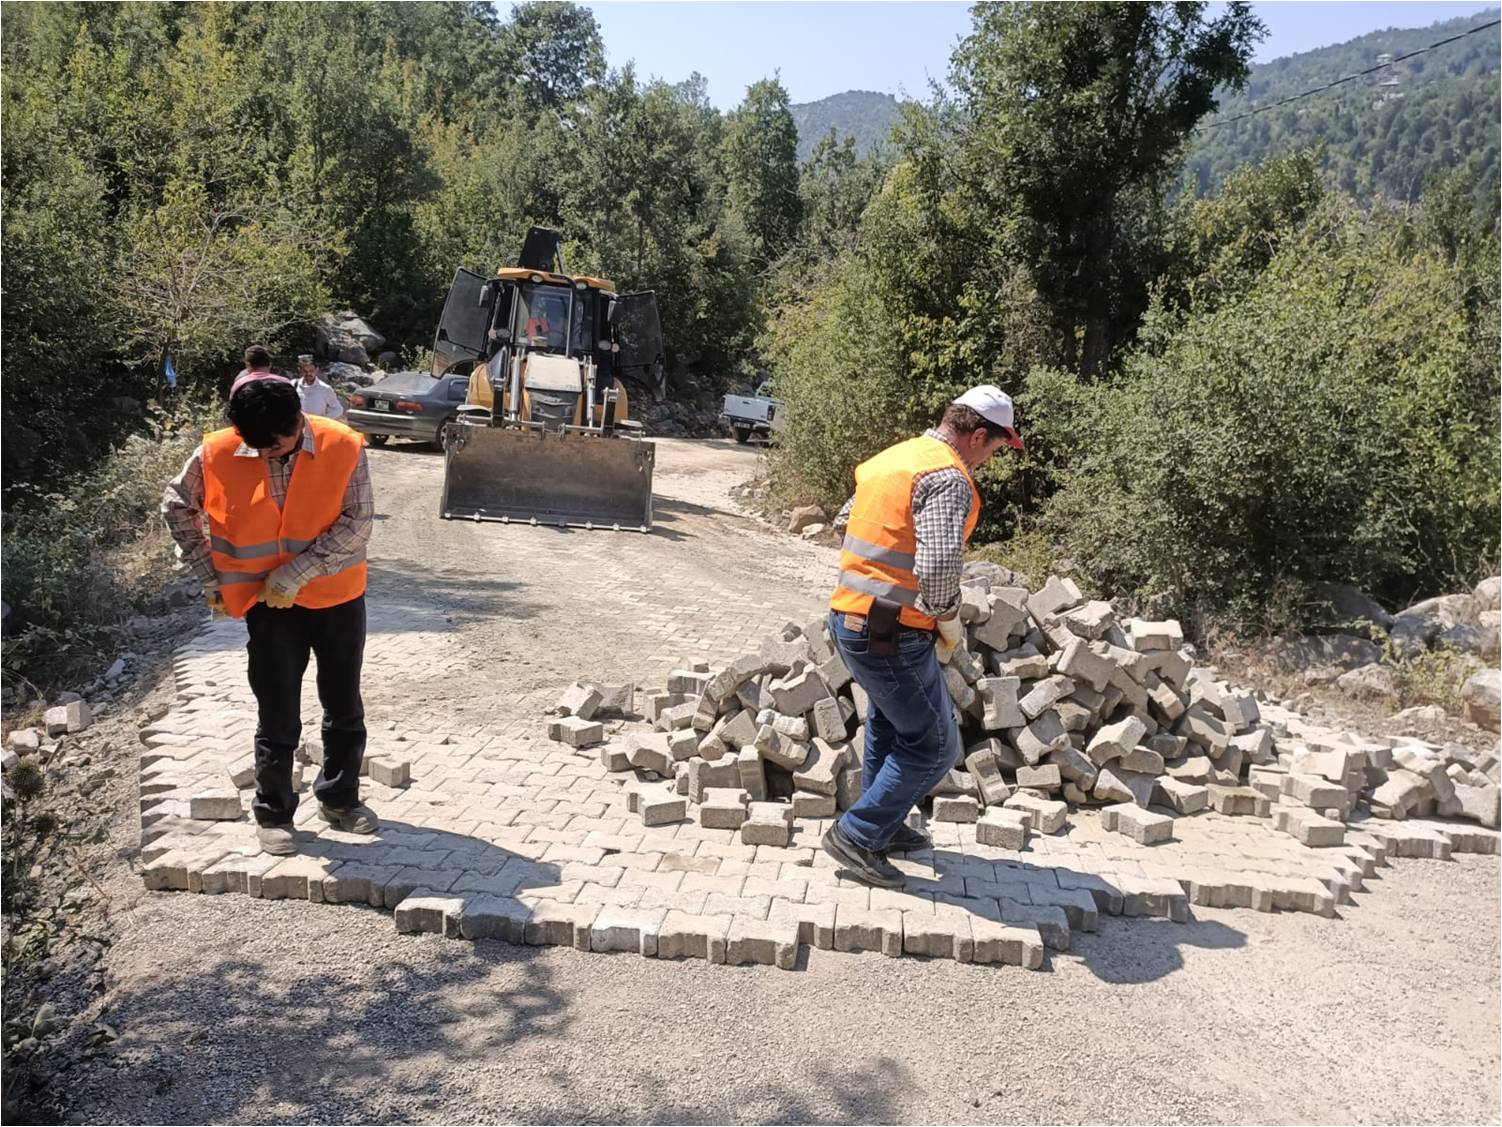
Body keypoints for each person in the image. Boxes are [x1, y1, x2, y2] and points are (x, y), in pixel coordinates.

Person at [162, 348, 376, 856]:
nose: (265, 455)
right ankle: (274, 812)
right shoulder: (218, 451)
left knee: (343, 704)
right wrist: (207, 572)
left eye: (274, 446)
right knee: (276, 708)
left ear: (298, 419)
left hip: (336, 597)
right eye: (254, 447)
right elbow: (176, 505)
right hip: (267, 605)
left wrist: (296, 572)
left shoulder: (343, 445)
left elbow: (357, 523)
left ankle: (341, 799)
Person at [821, 386, 1024, 887]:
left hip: (852, 615)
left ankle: (881, 827)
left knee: (892, 725)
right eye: (994, 450)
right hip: (890, 627)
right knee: (935, 744)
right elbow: (936, 571)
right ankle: (858, 835)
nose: (989, 461)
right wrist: (947, 618)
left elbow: (843, 521)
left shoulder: (897, 457)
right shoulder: (949, 478)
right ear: (978, 436)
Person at [295, 354, 344, 419]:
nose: (308, 374)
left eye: (311, 371)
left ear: (316, 370)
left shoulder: (325, 389)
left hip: (316, 427)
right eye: (305, 371)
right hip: (297, 428)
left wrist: (323, 420)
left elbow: (338, 409)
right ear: (300, 370)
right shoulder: (294, 385)